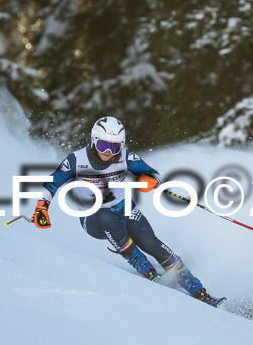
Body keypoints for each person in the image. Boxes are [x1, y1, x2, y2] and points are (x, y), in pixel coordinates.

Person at [32, 116, 225, 307]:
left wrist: (150, 180)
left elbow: (153, 173)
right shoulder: (77, 160)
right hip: (91, 218)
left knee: (150, 242)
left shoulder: (126, 157)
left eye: (114, 147)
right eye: (103, 146)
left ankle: (196, 287)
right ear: (93, 141)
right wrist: (42, 206)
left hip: (123, 206)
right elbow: (52, 182)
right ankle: (139, 261)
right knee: (104, 216)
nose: (108, 152)